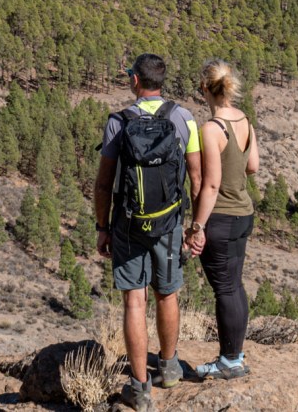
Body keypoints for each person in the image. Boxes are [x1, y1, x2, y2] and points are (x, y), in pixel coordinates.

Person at [95, 53, 202, 411]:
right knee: (167, 293)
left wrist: (102, 227)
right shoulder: (184, 118)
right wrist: (195, 226)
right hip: (169, 223)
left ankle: (141, 391)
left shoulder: (119, 122)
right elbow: (197, 179)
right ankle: (169, 368)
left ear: (136, 81)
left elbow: (103, 183)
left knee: (134, 301)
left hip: (128, 224)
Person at [183, 59, 258, 380]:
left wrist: (197, 227)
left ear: (204, 89)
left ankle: (229, 361)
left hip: (221, 217)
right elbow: (252, 165)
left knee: (224, 289)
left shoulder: (211, 129)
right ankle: (235, 355)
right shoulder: (244, 121)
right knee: (234, 285)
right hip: (244, 212)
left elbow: (209, 185)